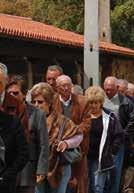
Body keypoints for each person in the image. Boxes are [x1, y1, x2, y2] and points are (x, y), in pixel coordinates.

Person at [31, 83, 81, 193]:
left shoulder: (61, 120)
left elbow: (78, 135)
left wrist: (66, 143)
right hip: (36, 167)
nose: (36, 105)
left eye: (40, 102)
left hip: (59, 167)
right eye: (33, 102)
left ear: (49, 103)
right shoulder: (29, 120)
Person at [5, 77, 50, 193]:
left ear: (24, 94)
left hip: (28, 170)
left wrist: (41, 170)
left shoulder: (37, 114)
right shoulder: (4, 112)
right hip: (7, 171)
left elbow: (44, 144)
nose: (11, 95)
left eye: (15, 93)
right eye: (8, 93)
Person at [52, 75, 89, 193]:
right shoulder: (52, 101)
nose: (67, 88)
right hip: (57, 149)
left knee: (79, 181)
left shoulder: (82, 101)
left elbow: (87, 123)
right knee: (60, 181)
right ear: (57, 87)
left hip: (77, 148)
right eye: (63, 85)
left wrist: (72, 132)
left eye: (69, 85)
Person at [84, 86, 124, 193]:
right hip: (84, 156)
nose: (94, 105)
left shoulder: (109, 117)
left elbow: (119, 134)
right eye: (91, 102)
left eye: (96, 103)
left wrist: (111, 151)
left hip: (101, 157)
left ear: (101, 102)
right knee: (86, 186)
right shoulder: (83, 117)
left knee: (97, 187)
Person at [102, 77, 134, 193]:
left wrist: (122, 135)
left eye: (110, 89)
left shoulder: (126, 102)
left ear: (117, 88)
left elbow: (133, 121)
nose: (108, 92)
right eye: (106, 89)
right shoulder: (100, 100)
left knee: (115, 170)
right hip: (102, 141)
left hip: (118, 142)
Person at [0, 64, 29, 193]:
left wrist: (8, 174)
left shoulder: (15, 103)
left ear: (6, 81)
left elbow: (23, 146)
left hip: (6, 173)